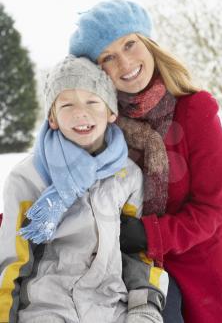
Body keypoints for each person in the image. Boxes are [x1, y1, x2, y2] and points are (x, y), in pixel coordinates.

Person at [69, 0, 222, 323]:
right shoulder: (97, 124)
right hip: (129, 275)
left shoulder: (196, 111)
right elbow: (55, 180)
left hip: (199, 273)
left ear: (147, 42)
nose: (125, 62)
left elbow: (212, 210)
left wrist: (149, 235)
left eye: (129, 44)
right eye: (108, 57)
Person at [0, 55, 168, 323]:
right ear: (52, 118)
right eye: (67, 104)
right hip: (46, 310)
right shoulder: (27, 178)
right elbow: (10, 264)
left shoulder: (127, 176)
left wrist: (143, 307)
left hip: (112, 308)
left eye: (92, 101)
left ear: (111, 112)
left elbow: (136, 252)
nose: (81, 112)